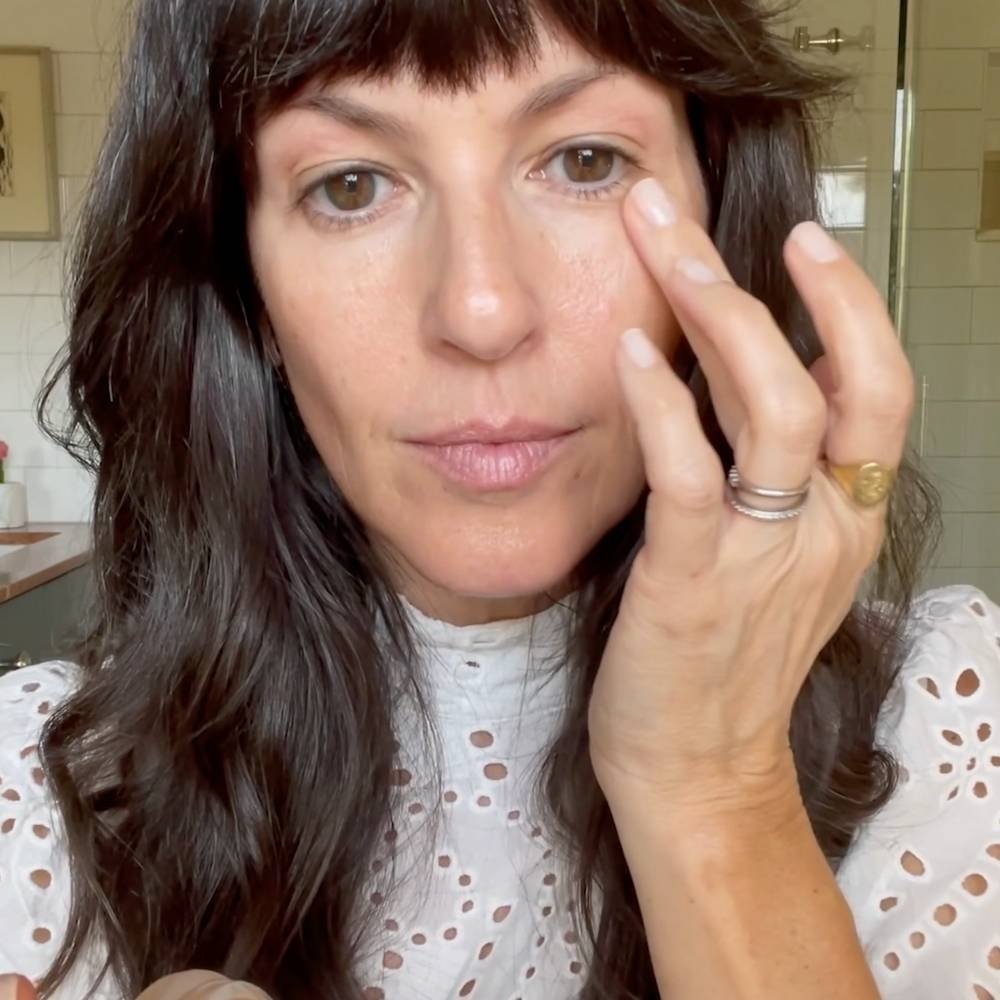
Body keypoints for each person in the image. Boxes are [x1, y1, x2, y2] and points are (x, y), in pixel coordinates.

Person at [1, 0, 998, 997]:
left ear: (720, 213)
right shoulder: (36, 795)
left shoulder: (946, 725)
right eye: (351, 185)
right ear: (246, 287)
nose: (481, 312)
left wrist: (717, 788)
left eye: (585, 162)